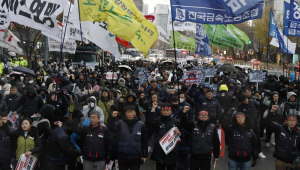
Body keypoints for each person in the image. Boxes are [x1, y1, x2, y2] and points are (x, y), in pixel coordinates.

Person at [108, 105, 148, 170]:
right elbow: (111, 129)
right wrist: (112, 118)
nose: (129, 114)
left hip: (135, 155)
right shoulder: (120, 123)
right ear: (125, 113)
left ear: (135, 113)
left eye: (131, 112)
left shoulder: (141, 125)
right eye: (128, 112)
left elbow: (144, 141)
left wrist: (144, 155)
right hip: (122, 155)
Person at [266, 105, 300, 170]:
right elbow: (268, 123)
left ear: (296, 122)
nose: (292, 122)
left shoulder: (299, 132)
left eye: (294, 120)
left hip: (293, 162)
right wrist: (272, 111)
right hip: (280, 161)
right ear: (286, 121)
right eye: (290, 120)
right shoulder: (280, 128)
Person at [150, 103, 181, 170]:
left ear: (171, 111)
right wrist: (153, 109)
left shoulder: (176, 122)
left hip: (172, 151)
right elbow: (150, 123)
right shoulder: (157, 121)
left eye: (167, 110)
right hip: (160, 151)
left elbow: (183, 135)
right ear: (161, 111)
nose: (166, 112)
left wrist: (179, 133)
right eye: (164, 110)